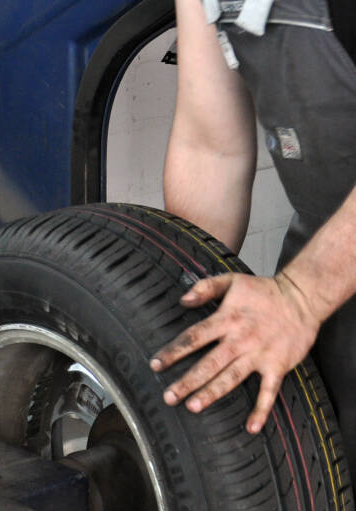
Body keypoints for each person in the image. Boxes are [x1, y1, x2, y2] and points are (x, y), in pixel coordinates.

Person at [150, 0, 356, 472]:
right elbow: (210, 148)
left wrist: (301, 294)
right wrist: (181, 306)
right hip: (322, 276)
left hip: (313, 283)